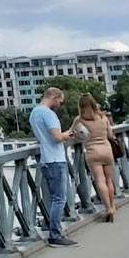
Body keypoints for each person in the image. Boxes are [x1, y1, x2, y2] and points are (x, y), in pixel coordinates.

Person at [30, 87, 79, 246]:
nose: (59, 104)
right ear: (53, 96)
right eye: (59, 100)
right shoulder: (48, 114)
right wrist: (68, 134)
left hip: (45, 158)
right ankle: (55, 235)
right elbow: (57, 137)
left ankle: (53, 232)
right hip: (55, 159)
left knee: (54, 198)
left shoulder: (34, 113)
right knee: (59, 199)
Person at [74, 93, 119, 221]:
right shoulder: (103, 117)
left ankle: (107, 208)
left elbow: (73, 133)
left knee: (100, 181)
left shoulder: (80, 120)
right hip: (106, 150)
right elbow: (110, 135)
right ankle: (112, 205)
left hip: (93, 152)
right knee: (109, 181)